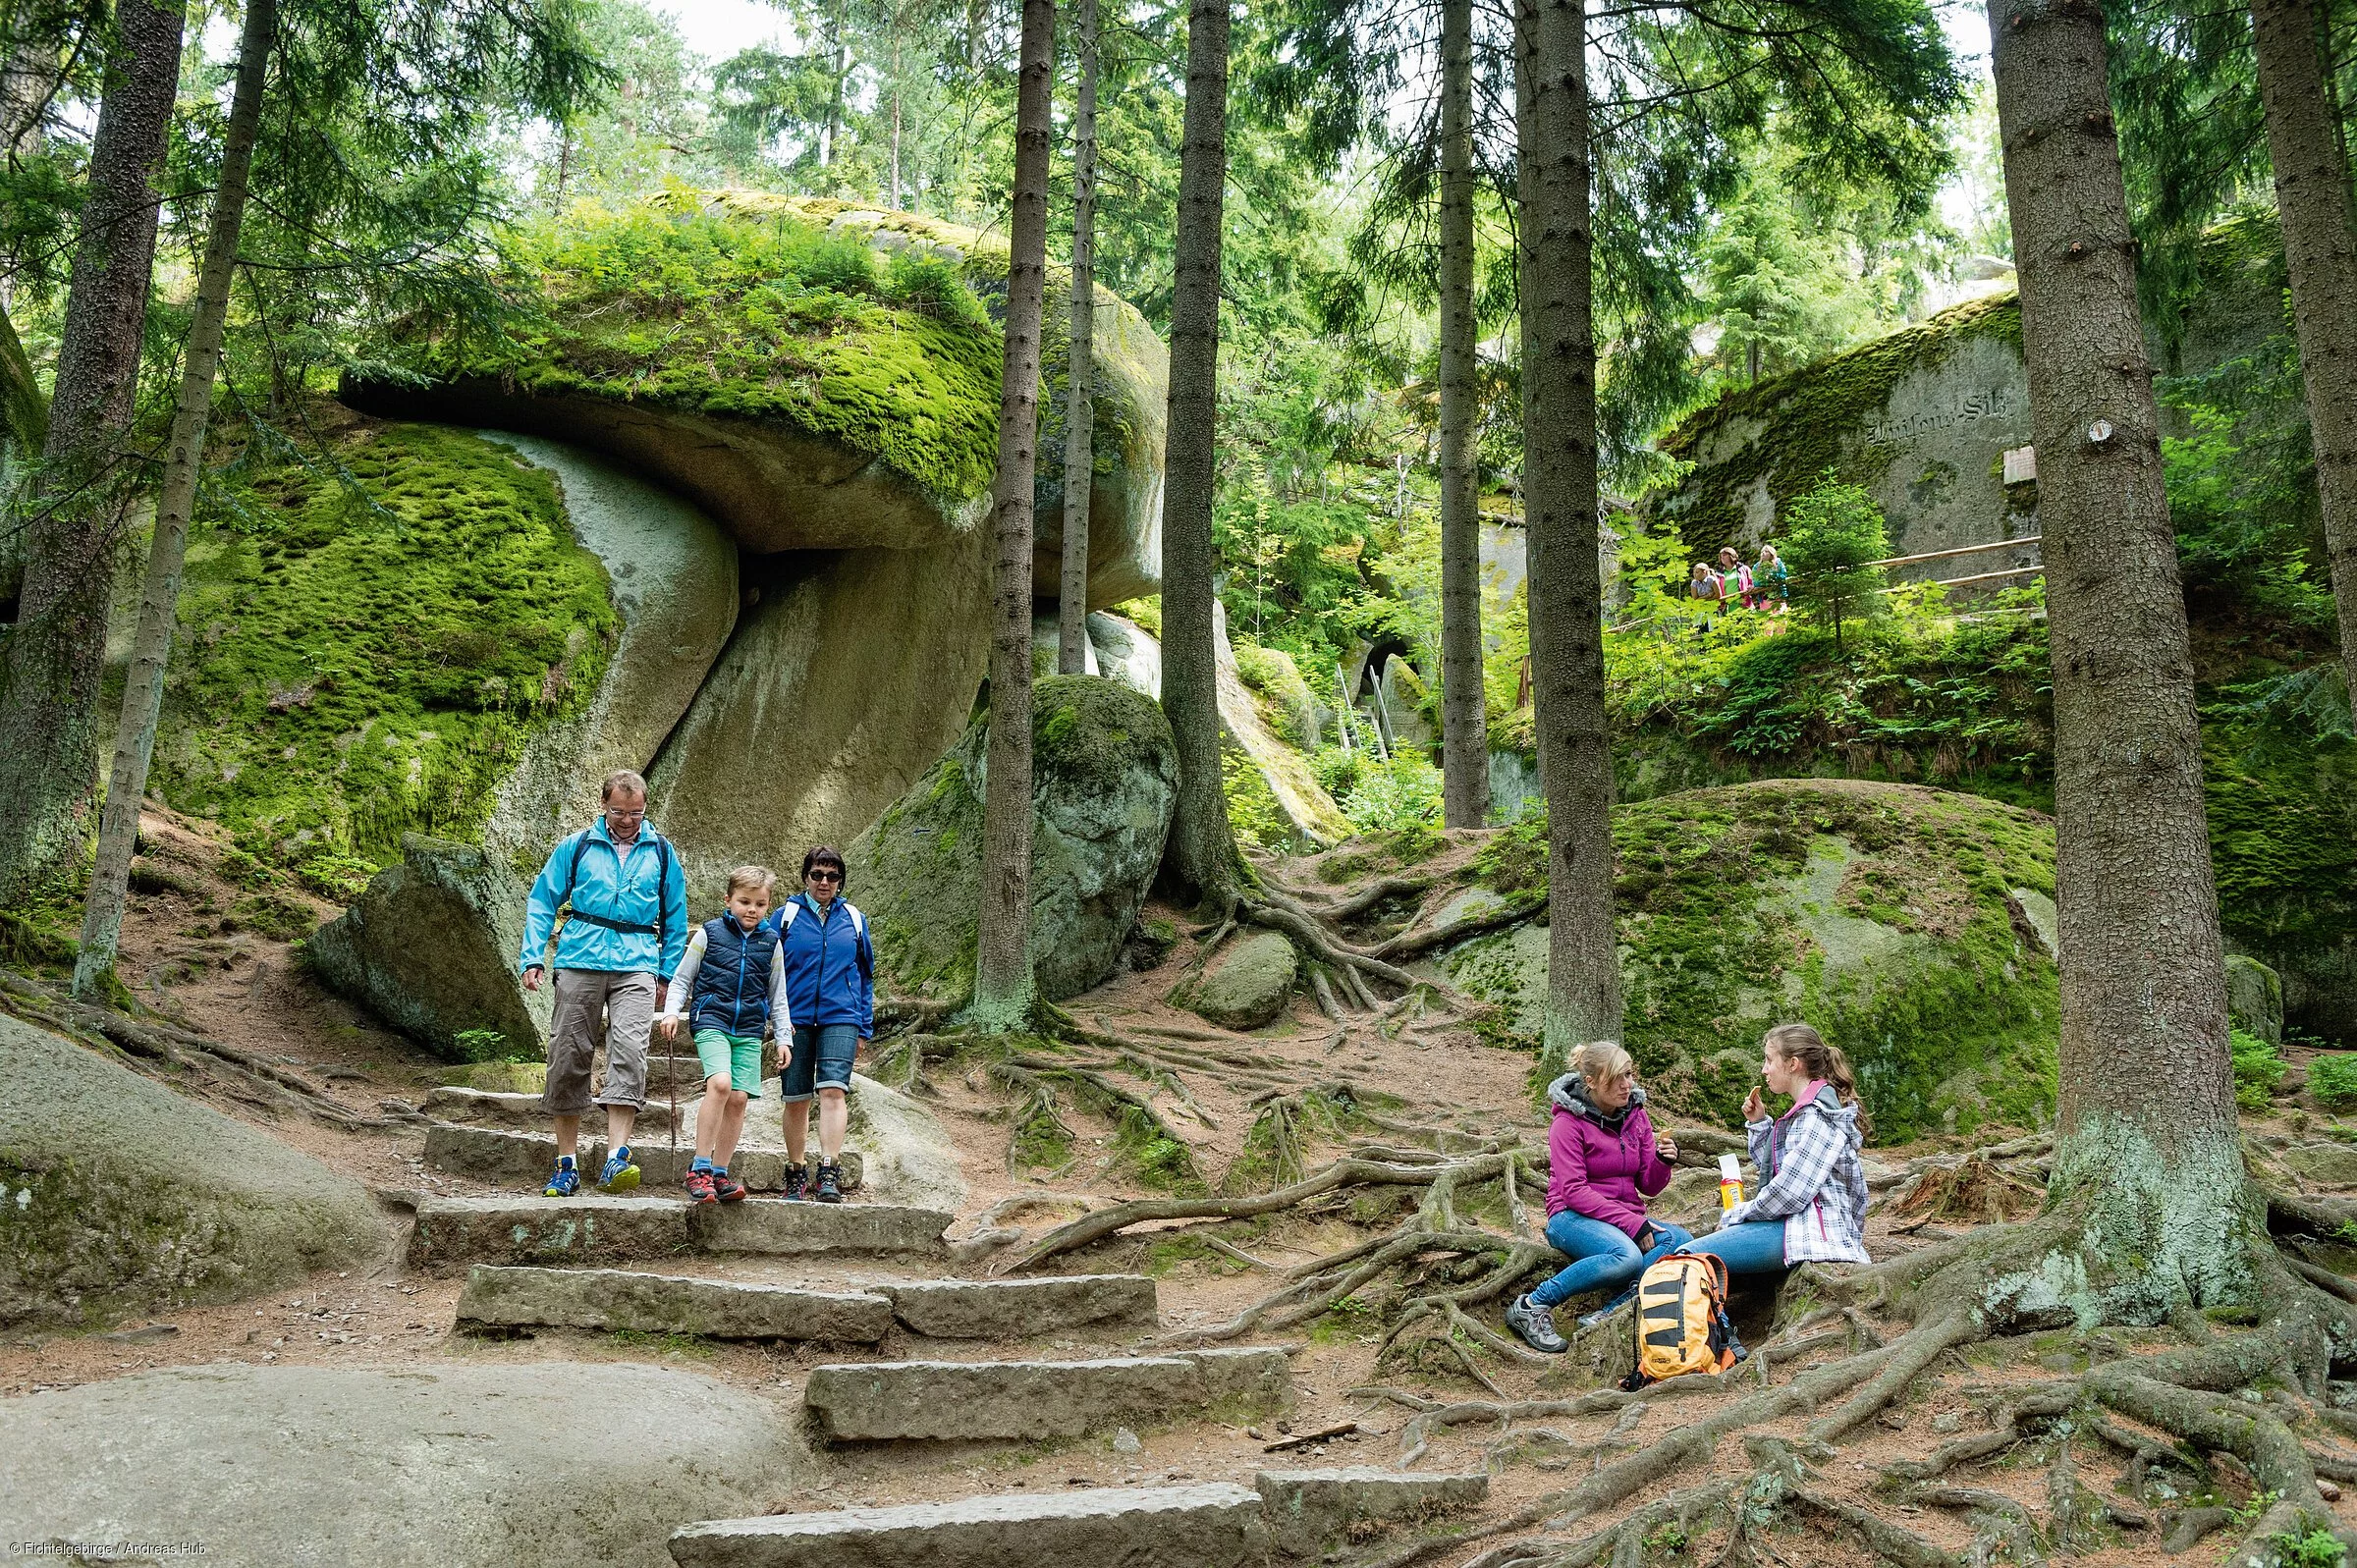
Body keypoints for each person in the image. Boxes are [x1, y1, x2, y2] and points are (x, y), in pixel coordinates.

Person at [518, 769, 688, 1198]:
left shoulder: (663, 853)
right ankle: (566, 1161)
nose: (628, 820)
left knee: (630, 1051)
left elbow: (676, 919)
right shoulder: (576, 847)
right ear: (603, 805)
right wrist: (533, 956)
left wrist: (665, 974)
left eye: (636, 812)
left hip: (638, 964)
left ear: (645, 807)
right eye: (619, 811)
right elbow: (542, 900)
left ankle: (616, 1157)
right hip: (579, 959)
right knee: (567, 1053)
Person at [1504, 1042, 1686, 1355]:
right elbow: (1574, 1191)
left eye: (1628, 1075)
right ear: (1591, 1081)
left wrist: (1663, 1162)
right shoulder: (1567, 1123)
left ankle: (1610, 1312)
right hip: (1570, 1216)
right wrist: (1634, 1225)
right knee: (1626, 1256)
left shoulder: (1636, 1116)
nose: (1627, 1084)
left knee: (1680, 1239)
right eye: (1617, 1077)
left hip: (1620, 1216)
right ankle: (1532, 1305)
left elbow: (1648, 1184)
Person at [1686, 1023, 1872, 1275]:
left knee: (1685, 1259)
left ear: (1793, 1064)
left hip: (1810, 1238)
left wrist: (1735, 1215)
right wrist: (1759, 1125)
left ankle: (1614, 1312)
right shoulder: (1809, 1112)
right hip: (1793, 1230)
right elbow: (1780, 1168)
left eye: (1769, 1059)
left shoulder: (1817, 1116)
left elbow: (1788, 1193)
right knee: (1699, 1266)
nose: (1764, 1069)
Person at [655, 866, 790, 1204]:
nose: (751, 910)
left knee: (740, 1099)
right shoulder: (709, 935)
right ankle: (698, 1170)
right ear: (728, 900)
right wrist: (671, 1011)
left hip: (748, 1028)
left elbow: (778, 995)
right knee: (720, 1084)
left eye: (760, 904)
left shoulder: (771, 943)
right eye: (744, 901)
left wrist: (784, 1037)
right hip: (711, 1019)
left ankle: (719, 1172)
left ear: (768, 906)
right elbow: (683, 978)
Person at [772, 845, 874, 1204]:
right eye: (818, 874)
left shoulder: (854, 919)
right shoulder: (785, 917)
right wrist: (774, 1022)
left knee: (833, 1092)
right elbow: (767, 967)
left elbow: (864, 974)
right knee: (797, 1097)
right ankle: (796, 1172)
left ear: (841, 881)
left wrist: (864, 1025)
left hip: (841, 1016)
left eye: (832, 876)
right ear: (805, 877)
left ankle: (828, 1171)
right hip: (795, 1018)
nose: (825, 881)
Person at [1753, 543, 1788, 611]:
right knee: (1767, 619)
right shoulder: (1757, 566)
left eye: (1766, 551)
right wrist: (1763, 581)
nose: (1763, 553)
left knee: (1780, 617)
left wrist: (1772, 576)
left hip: (1778, 596)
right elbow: (1755, 582)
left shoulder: (1778, 563)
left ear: (1771, 553)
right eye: (1762, 552)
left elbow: (1783, 575)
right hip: (1765, 598)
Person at [1718, 547, 1754, 612]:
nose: (1722, 558)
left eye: (1724, 555)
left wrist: (1750, 587)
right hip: (1727, 606)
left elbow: (1752, 581)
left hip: (1744, 603)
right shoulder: (1718, 574)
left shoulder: (1744, 569)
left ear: (1731, 555)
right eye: (1721, 556)